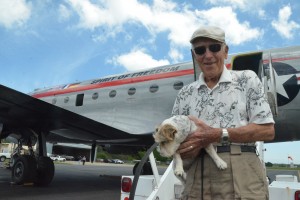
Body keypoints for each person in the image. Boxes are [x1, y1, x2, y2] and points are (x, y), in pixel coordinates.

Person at [172, 26, 275, 200]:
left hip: (241, 170)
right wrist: (184, 148)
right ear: (194, 56)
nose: (208, 55)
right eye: (200, 50)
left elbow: (267, 131)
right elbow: (174, 142)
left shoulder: (246, 79)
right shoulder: (184, 94)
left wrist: (217, 134)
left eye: (214, 47)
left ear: (225, 51)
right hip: (196, 173)